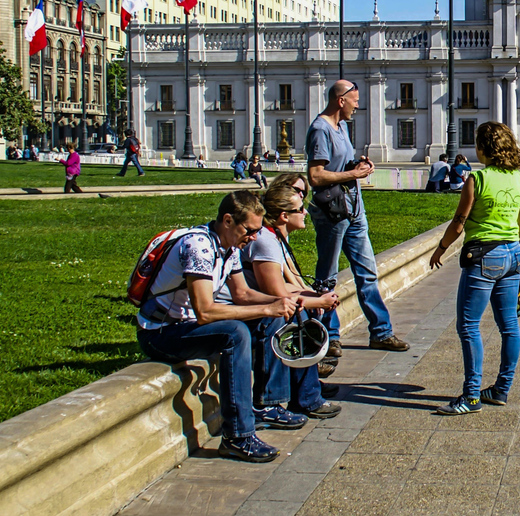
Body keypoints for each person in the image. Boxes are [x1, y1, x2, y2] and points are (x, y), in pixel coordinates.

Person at [136, 190, 307, 463]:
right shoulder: (198, 247)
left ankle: (267, 404)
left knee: (274, 316)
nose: (253, 238)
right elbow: (204, 311)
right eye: (249, 230)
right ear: (228, 221)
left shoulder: (229, 247)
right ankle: (237, 437)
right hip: (161, 333)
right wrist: (267, 307)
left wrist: (285, 301)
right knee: (235, 334)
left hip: (188, 325)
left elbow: (243, 294)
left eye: (257, 231)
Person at [306, 80, 409, 353]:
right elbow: (315, 176)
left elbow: (340, 166)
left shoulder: (342, 128)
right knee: (327, 277)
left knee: (367, 273)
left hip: (354, 211)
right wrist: (354, 174)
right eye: (354, 100)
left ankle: (381, 332)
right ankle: (329, 336)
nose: (357, 105)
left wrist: (358, 166)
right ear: (341, 100)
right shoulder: (320, 129)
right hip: (332, 214)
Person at [431, 122, 520, 415]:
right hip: (514, 253)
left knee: (468, 325)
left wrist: (441, 248)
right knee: (509, 326)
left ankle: (471, 397)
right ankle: (501, 389)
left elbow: (458, 223)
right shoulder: (518, 177)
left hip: (484, 255)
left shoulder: (477, 179)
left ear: (484, 148)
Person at [241, 183, 342, 419]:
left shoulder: (275, 237)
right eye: (300, 209)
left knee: (306, 312)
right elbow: (277, 296)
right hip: (253, 311)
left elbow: (289, 283)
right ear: (284, 216)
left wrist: (314, 297)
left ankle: (308, 391)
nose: (306, 212)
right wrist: (316, 302)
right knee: (297, 318)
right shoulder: (266, 241)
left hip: (259, 306)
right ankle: (299, 398)